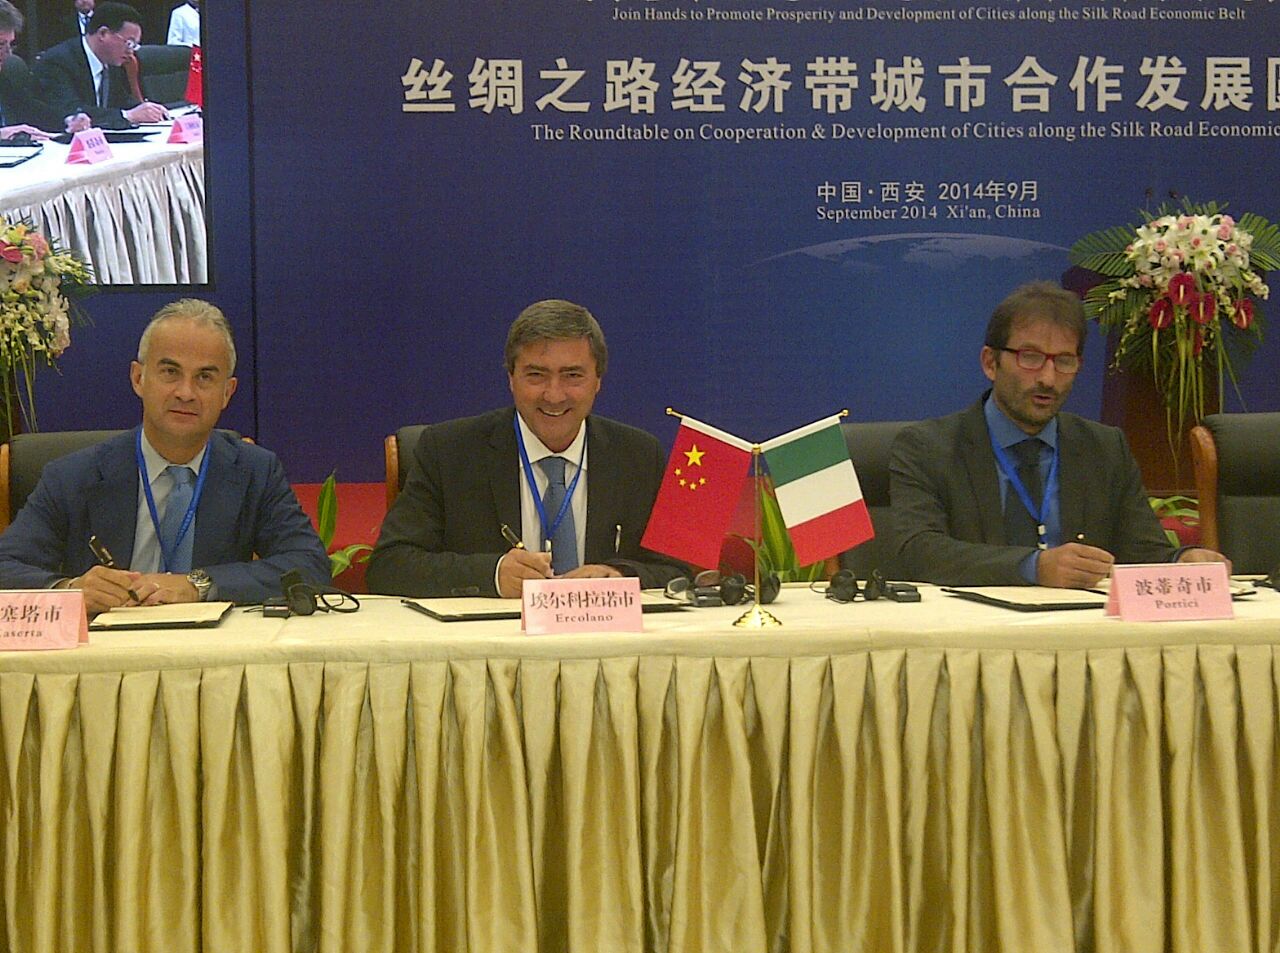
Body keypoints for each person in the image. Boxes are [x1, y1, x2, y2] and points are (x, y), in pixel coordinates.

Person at [889, 280, 1229, 588]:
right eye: (1031, 358)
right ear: (991, 363)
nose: (1048, 379)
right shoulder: (928, 448)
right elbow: (920, 551)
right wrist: (1032, 567)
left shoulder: (1104, 447)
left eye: (1064, 361)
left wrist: (1181, 561)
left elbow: (1143, 550)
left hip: (1081, 628)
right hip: (972, 628)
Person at [0, 299, 331, 614]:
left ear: (227, 393)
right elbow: (7, 565)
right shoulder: (72, 476)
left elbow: (309, 564)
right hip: (106, 645)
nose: (185, 393)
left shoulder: (255, 471)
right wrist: (70, 589)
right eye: (170, 372)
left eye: (204, 377)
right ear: (138, 379)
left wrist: (198, 584)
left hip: (212, 646)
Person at [367, 299, 685, 598]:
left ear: (597, 380)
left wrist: (618, 576)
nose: (554, 395)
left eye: (572, 375)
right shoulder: (448, 451)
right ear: (511, 378)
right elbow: (389, 565)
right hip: (491, 637)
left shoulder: (638, 456)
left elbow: (677, 570)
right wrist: (492, 574)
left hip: (604, 635)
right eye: (536, 375)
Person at [33, 1, 168, 132]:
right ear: (103, 34)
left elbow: (121, 101)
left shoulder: (111, 61)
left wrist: (148, 109)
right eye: (129, 43)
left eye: (134, 45)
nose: (130, 51)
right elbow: (72, 111)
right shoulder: (57, 61)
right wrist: (127, 115)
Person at [0, 1, 58, 139]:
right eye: (1, 44)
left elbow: (31, 110)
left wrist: (68, 121)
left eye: (10, 44)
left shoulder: (8, 72)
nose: (7, 53)